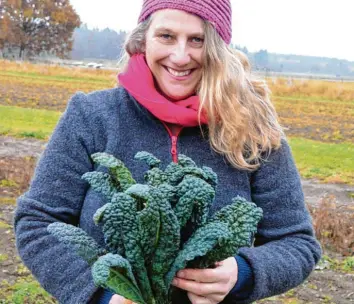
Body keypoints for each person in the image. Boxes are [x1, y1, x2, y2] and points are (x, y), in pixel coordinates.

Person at [14, 0, 322, 303]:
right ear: (143, 39)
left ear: (217, 48)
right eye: (166, 36)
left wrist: (241, 273)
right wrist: (103, 295)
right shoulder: (92, 116)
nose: (180, 56)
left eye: (197, 40)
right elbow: (38, 222)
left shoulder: (252, 128)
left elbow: (297, 243)